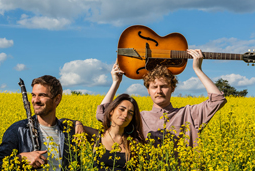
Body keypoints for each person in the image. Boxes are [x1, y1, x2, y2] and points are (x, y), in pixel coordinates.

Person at [96, 49, 227, 148]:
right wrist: (115, 83)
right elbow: (103, 114)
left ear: (172, 88)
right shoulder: (139, 118)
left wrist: (197, 69)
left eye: (163, 86)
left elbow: (217, 100)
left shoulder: (189, 114)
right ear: (148, 90)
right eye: (154, 87)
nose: (159, 91)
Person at [0, 75, 83, 171]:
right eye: (33, 95)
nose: (35, 101)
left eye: (42, 95)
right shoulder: (17, 130)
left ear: (57, 99)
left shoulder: (68, 133)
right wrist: (21, 158)